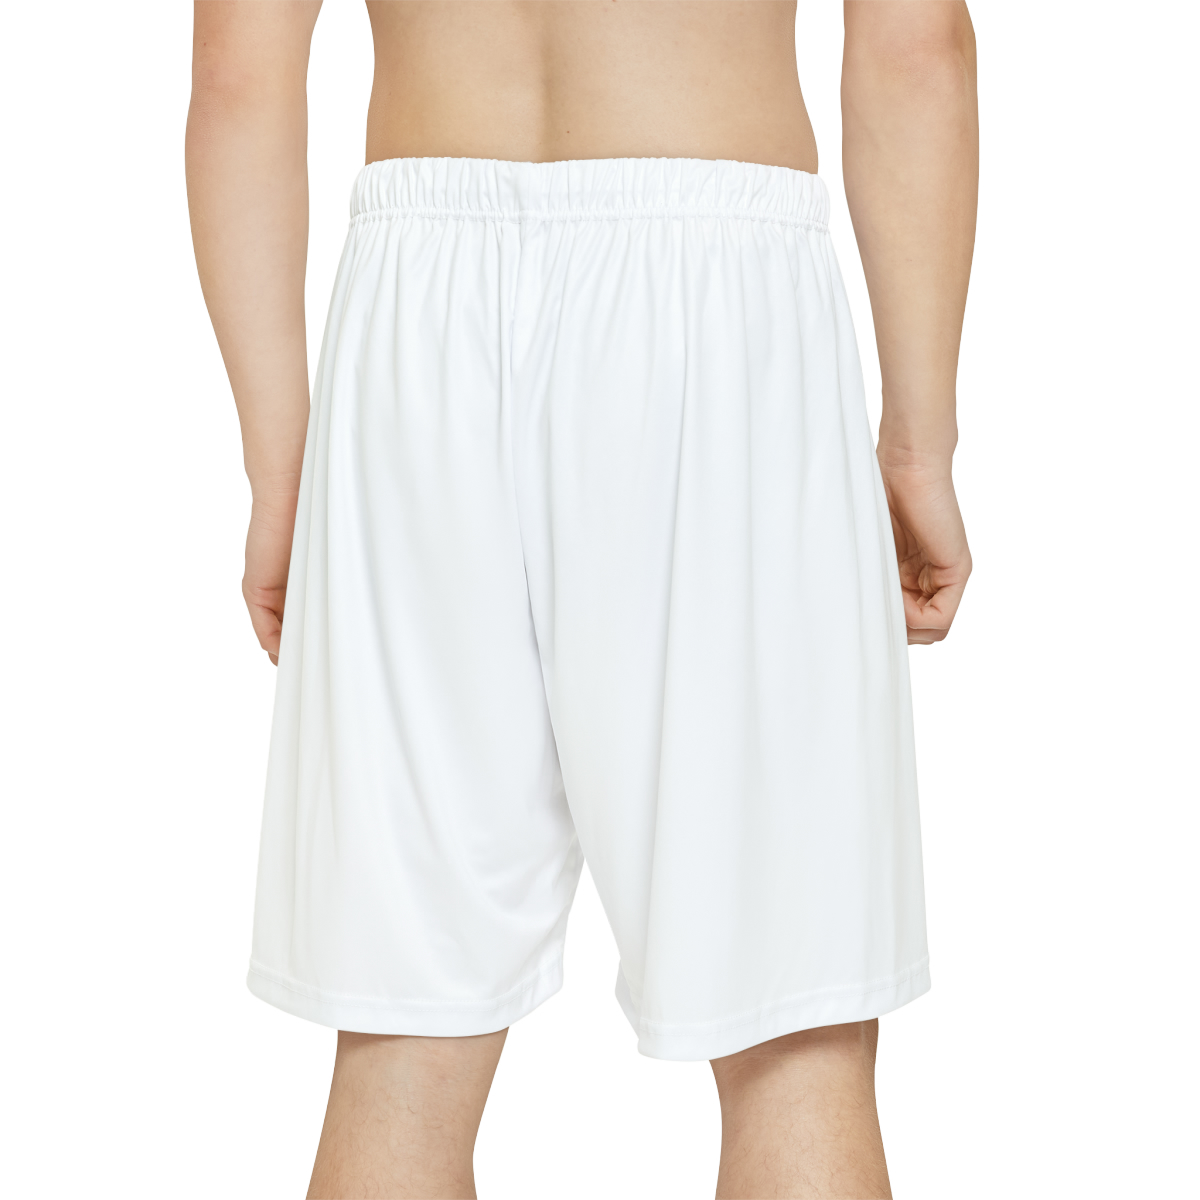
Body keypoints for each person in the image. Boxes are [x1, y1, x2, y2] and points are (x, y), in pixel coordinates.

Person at [186, 1, 976, 1195]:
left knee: (404, 1046)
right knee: (793, 1045)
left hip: (417, 305)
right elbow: (917, 49)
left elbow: (237, 78)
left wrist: (285, 473)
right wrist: (918, 447)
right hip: (721, 295)